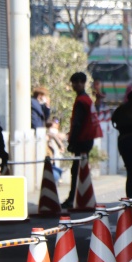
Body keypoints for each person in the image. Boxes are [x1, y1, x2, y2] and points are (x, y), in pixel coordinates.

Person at [62, 72, 96, 209]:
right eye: (73, 83)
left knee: (77, 170)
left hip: (81, 140)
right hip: (88, 139)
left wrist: (72, 141)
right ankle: (79, 197)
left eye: (77, 82)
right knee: (81, 169)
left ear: (82, 83)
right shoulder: (87, 99)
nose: (75, 85)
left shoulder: (81, 101)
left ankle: (73, 198)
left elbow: (77, 123)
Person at [46, 118, 66, 184]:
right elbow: (56, 138)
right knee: (54, 165)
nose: (57, 124)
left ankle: (56, 178)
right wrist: (61, 146)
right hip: (53, 152)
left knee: (55, 164)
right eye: (55, 122)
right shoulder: (52, 131)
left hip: (54, 152)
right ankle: (56, 179)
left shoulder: (53, 131)